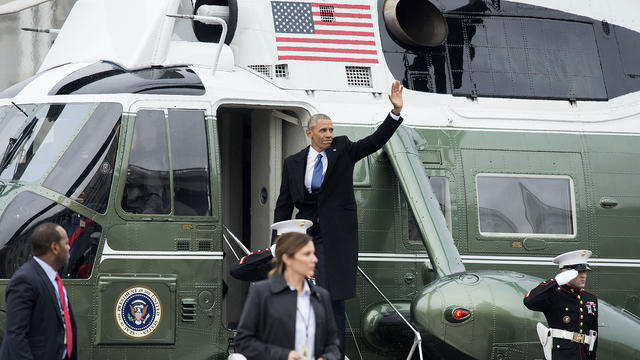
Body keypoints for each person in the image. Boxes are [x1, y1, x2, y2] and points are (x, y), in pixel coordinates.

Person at [273, 81, 404, 355]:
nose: (329, 134)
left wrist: (394, 113)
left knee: (333, 298)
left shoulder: (343, 150)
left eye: (331, 129)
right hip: (305, 236)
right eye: (323, 130)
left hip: (336, 236)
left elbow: (374, 141)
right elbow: (283, 204)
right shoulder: (293, 163)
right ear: (309, 133)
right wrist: (276, 245)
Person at [235, 220, 340, 360]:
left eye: (313, 253)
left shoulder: (322, 295)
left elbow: (332, 344)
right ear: (287, 258)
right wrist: (271, 252)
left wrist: (326, 358)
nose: (314, 259)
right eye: (306, 254)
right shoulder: (263, 289)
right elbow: (237, 270)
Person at [0, 222, 77, 360]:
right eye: (66, 243)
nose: (69, 247)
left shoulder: (54, 280)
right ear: (54, 247)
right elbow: (16, 336)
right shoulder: (25, 280)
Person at [523, 250, 598, 360]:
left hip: (583, 355)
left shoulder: (590, 298)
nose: (583, 276)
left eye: (585, 272)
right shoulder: (554, 295)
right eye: (579, 272)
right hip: (560, 356)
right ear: (566, 273)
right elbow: (529, 301)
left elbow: (593, 334)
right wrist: (556, 281)